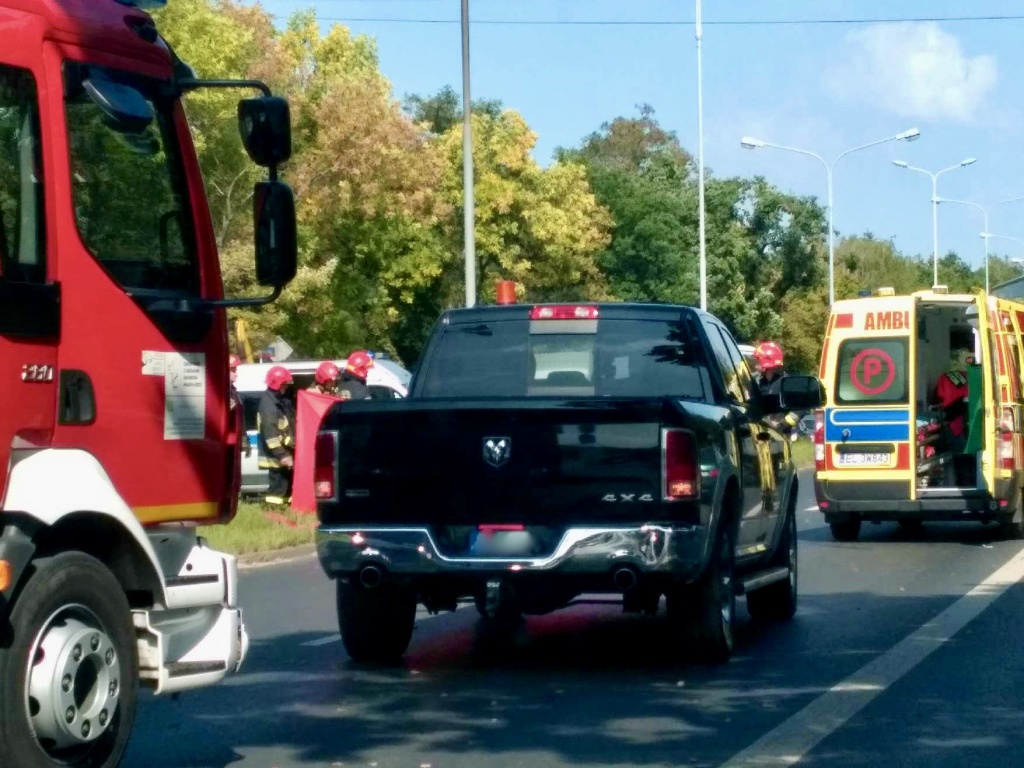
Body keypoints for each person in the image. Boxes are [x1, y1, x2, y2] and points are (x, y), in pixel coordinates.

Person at [257, 365, 296, 505]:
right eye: (285, 384)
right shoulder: (269, 406)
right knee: (277, 490)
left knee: (285, 487)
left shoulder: (277, 400)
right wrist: (282, 455)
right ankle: (273, 513)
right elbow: (271, 435)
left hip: (281, 453)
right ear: (278, 384)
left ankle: (285, 514)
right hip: (275, 456)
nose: (286, 387)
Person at [753, 340, 800, 437]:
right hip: (761, 433)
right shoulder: (759, 383)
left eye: (758, 361)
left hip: (780, 436)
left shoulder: (788, 384)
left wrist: (782, 424)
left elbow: (800, 410)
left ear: (767, 363)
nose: (755, 365)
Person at [933, 348, 973, 452]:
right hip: (967, 418)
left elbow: (939, 396)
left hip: (949, 419)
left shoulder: (944, 377)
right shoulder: (972, 377)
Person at [229, 354, 251, 458]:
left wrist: (244, 440)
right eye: (233, 370)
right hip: (228, 442)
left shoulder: (233, 391)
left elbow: (240, 420)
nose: (236, 374)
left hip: (234, 441)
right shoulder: (222, 392)